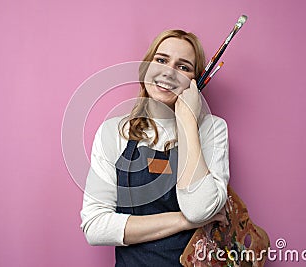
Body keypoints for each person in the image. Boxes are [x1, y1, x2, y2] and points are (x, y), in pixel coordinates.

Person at [80, 29, 230, 266]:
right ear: (146, 68)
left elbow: (200, 209)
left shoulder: (212, 129)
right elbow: (95, 227)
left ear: (196, 82)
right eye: (161, 60)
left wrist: (187, 121)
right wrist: (184, 221)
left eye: (183, 67)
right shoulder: (113, 132)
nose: (168, 72)